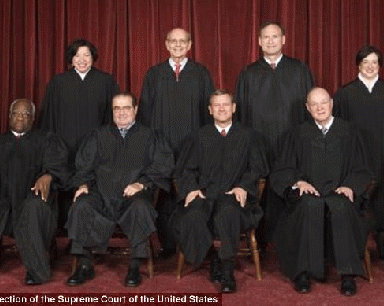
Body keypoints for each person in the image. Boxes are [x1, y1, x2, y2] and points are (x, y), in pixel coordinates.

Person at [271, 88, 372, 296]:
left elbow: (362, 168)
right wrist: (298, 182)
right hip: (310, 194)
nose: (320, 108)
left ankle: (348, 275)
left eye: (323, 102)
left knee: (341, 205)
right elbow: (283, 169)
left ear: (331, 104)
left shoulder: (349, 131)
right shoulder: (297, 133)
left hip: (339, 191)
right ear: (307, 108)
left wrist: (350, 186)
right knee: (309, 205)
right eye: (314, 104)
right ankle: (304, 272)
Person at [65, 93, 174, 287]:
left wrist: (142, 184)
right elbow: (84, 167)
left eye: (126, 108)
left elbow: (162, 166)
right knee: (81, 205)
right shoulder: (98, 136)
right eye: (117, 108)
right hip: (101, 194)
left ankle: (134, 266)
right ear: (112, 111)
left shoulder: (150, 136)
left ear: (135, 110)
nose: (121, 113)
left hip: (133, 196)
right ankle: (84, 264)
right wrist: (83, 185)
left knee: (140, 207)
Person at [173, 90, 268, 293]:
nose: (222, 108)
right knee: (193, 215)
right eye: (217, 105)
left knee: (227, 213)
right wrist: (191, 189)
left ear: (234, 108)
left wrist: (243, 186)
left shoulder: (248, 135)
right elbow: (185, 169)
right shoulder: (199, 136)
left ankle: (226, 271)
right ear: (210, 110)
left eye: (226, 104)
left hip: (234, 196)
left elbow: (257, 169)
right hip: (206, 195)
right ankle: (212, 257)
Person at [0, 99, 69, 287]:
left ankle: (36, 271)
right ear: (9, 116)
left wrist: (48, 176)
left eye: (26, 114)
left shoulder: (46, 140)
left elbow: (61, 168)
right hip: (0, 201)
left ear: (33, 119)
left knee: (34, 206)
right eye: (16, 113)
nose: (20, 117)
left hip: (32, 200)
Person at [235, 21, 314, 243]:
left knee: (290, 185)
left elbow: (312, 109)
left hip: (291, 142)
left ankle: (289, 239)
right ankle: (258, 239)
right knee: (260, 189)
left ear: (284, 40)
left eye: (275, 36)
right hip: (259, 142)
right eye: (266, 37)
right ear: (259, 42)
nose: (271, 41)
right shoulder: (248, 74)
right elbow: (239, 113)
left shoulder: (299, 70)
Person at [138, 28, 214, 256]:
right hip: (162, 146)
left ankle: (195, 244)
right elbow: (145, 112)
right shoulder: (154, 74)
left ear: (190, 44)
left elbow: (209, 111)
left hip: (193, 146)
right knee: (164, 196)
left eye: (183, 42)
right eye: (173, 41)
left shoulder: (201, 73)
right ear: (166, 44)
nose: (178, 45)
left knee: (192, 192)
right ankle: (168, 244)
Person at [334, 45, 384, 259]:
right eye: (365, 62)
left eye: (374, 62)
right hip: (357, 156)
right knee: (361, 194)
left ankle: (381, 238)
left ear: (380, 66)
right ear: (358, 65)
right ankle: (357, 242)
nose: (370, 66)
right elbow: (337, 128)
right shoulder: (345, 93)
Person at [40, 38, 120, 231]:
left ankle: (90, 230)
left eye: (86, 55)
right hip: (64, 145)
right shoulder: (58, 82)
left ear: (93, 58)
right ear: (71, 58)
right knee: (65, 184)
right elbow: (48, 117)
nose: (82, 59)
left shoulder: (106, 81)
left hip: (96, 147)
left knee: (91, 186)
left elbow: (114, 118)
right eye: (77, 55)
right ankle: (66, 231)